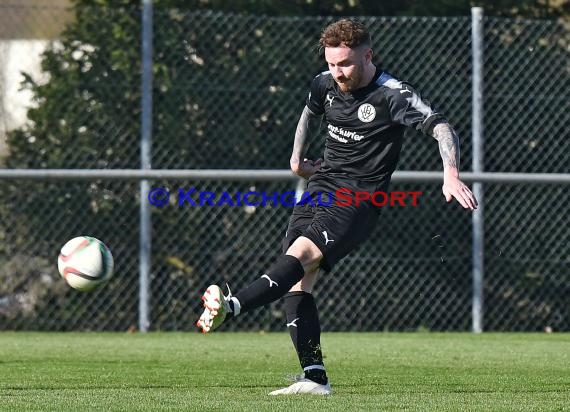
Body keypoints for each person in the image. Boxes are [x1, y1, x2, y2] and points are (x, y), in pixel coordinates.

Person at [196, 18, 478, 395]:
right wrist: (296, 161)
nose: (337, 72)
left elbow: (440, 127)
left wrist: (451, 174)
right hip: (321, 185)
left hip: (359, 196)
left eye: (344, 64)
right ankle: (314, 377)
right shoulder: (324, 83)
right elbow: (309, 113)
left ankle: (231, 307)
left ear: (367, 55)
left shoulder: (393, 94)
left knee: (301, 253)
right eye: (331, 64)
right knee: (296, 280)